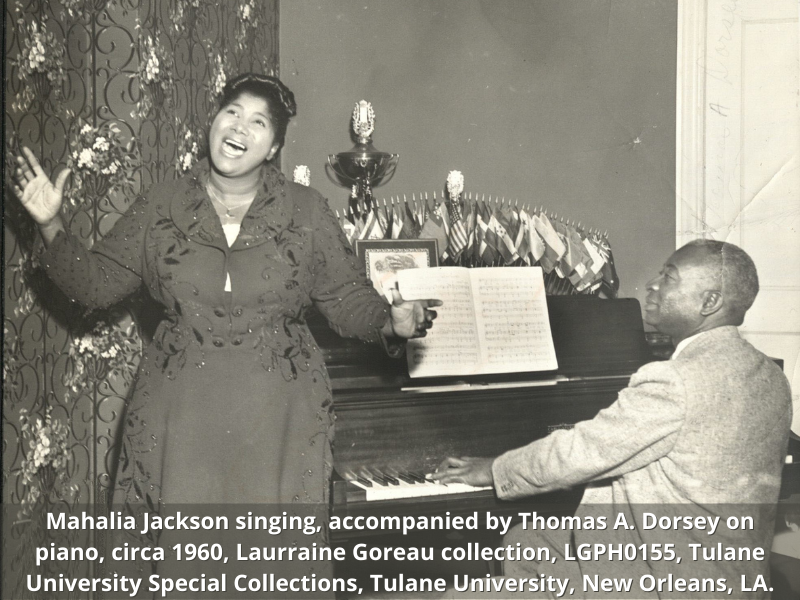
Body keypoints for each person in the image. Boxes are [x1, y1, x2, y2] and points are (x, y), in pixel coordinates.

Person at [12, 73, 441, 509]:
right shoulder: (161, 204)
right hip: (178, 419)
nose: (239, 126)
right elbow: (94, 285)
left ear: (273, 147)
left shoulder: (306, 209)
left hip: (281, 421)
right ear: (213, 122)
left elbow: (348, 299)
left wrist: (391, 320)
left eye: (258, 122)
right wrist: (50, 225)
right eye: (232, 112)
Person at [436, 240, 792, 598]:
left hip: (664, 581)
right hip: (728, 573)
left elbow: (575, 455)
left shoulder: (675, 379)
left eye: (669, 277)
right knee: (525, 540)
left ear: (709, 303)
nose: (652, 284)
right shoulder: (769, 374)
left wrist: (493, 469)